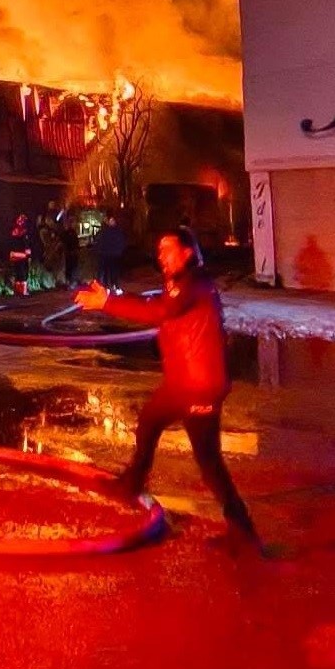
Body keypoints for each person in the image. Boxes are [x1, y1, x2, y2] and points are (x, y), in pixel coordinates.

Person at [74, 228, 260, 552]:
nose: (162, 256)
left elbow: (161, 311)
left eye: (168, 249)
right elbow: (160, 305)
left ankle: (243, 532)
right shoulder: (179, 283)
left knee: (209, 461)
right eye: (159, 250)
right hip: (181, 383)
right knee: (148, 421)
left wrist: (107, 302)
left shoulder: (194, 284)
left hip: (199, 387)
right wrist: (114, 297)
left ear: (188, 252)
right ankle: (132, 483)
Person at [93, 215, 127, 289]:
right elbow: (99, 242)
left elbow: (121, 242)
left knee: (112, 271)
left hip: (112, 255)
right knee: (108, 271)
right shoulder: (107, 232)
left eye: (112, 221)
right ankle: (108, 286)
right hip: (108, 254)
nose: (111, 222)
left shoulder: (115, 231)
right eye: (110, 221)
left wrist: (119, 251)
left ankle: (112, 285)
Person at [8, 214, 33, 297]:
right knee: (24, 273)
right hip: (23, 256)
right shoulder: (24, 233)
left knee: (17, 273)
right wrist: (29, 256)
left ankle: (17, 292)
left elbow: (10, 244)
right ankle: (24, 292)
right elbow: (26, 245)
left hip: (14, 256)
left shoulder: (13, 232)